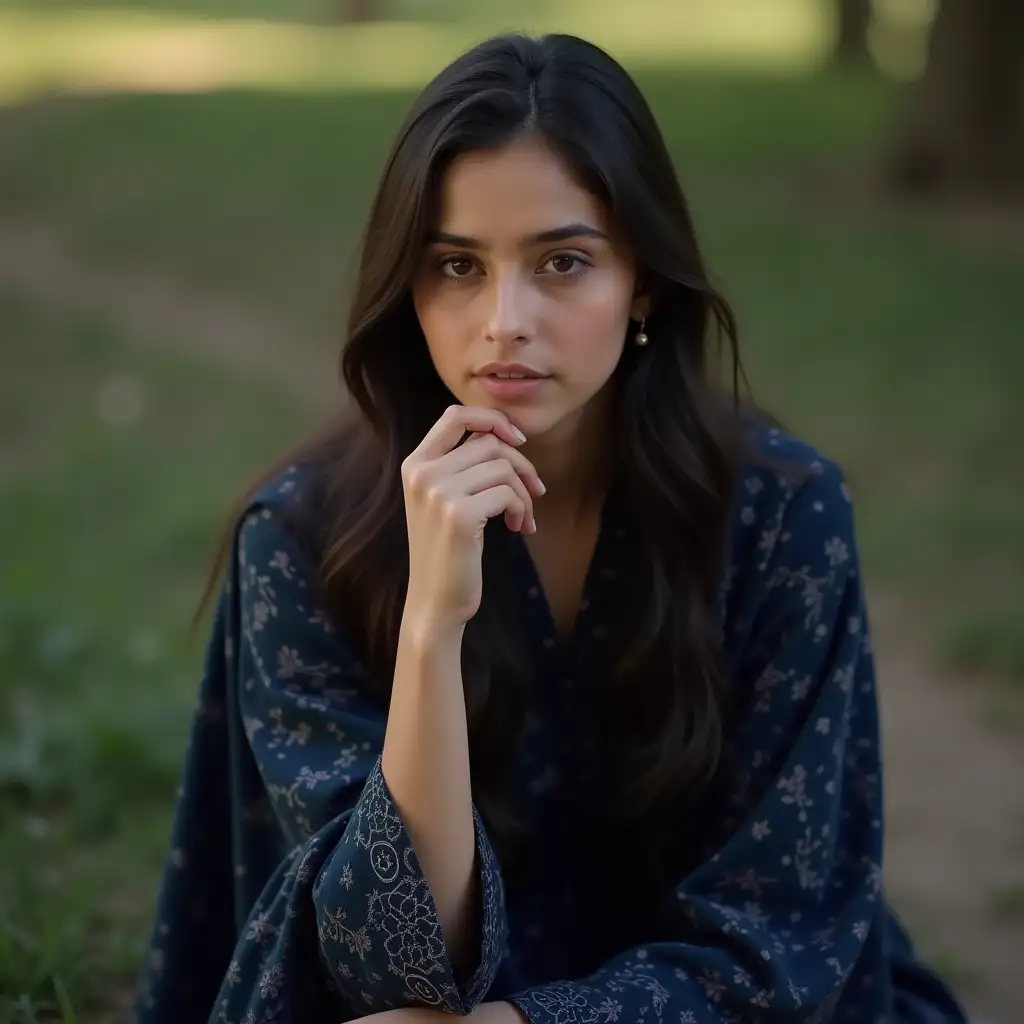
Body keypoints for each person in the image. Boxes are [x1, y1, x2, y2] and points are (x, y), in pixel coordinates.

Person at [133, 32, 971, 1024]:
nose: (504, 320)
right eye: (456, 265)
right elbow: (388, 966)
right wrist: (429, 631)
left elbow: (779, 929)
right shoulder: (307, 535)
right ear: (409, 286)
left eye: (562, 261)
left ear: (645, 281)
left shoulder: (784, 519)